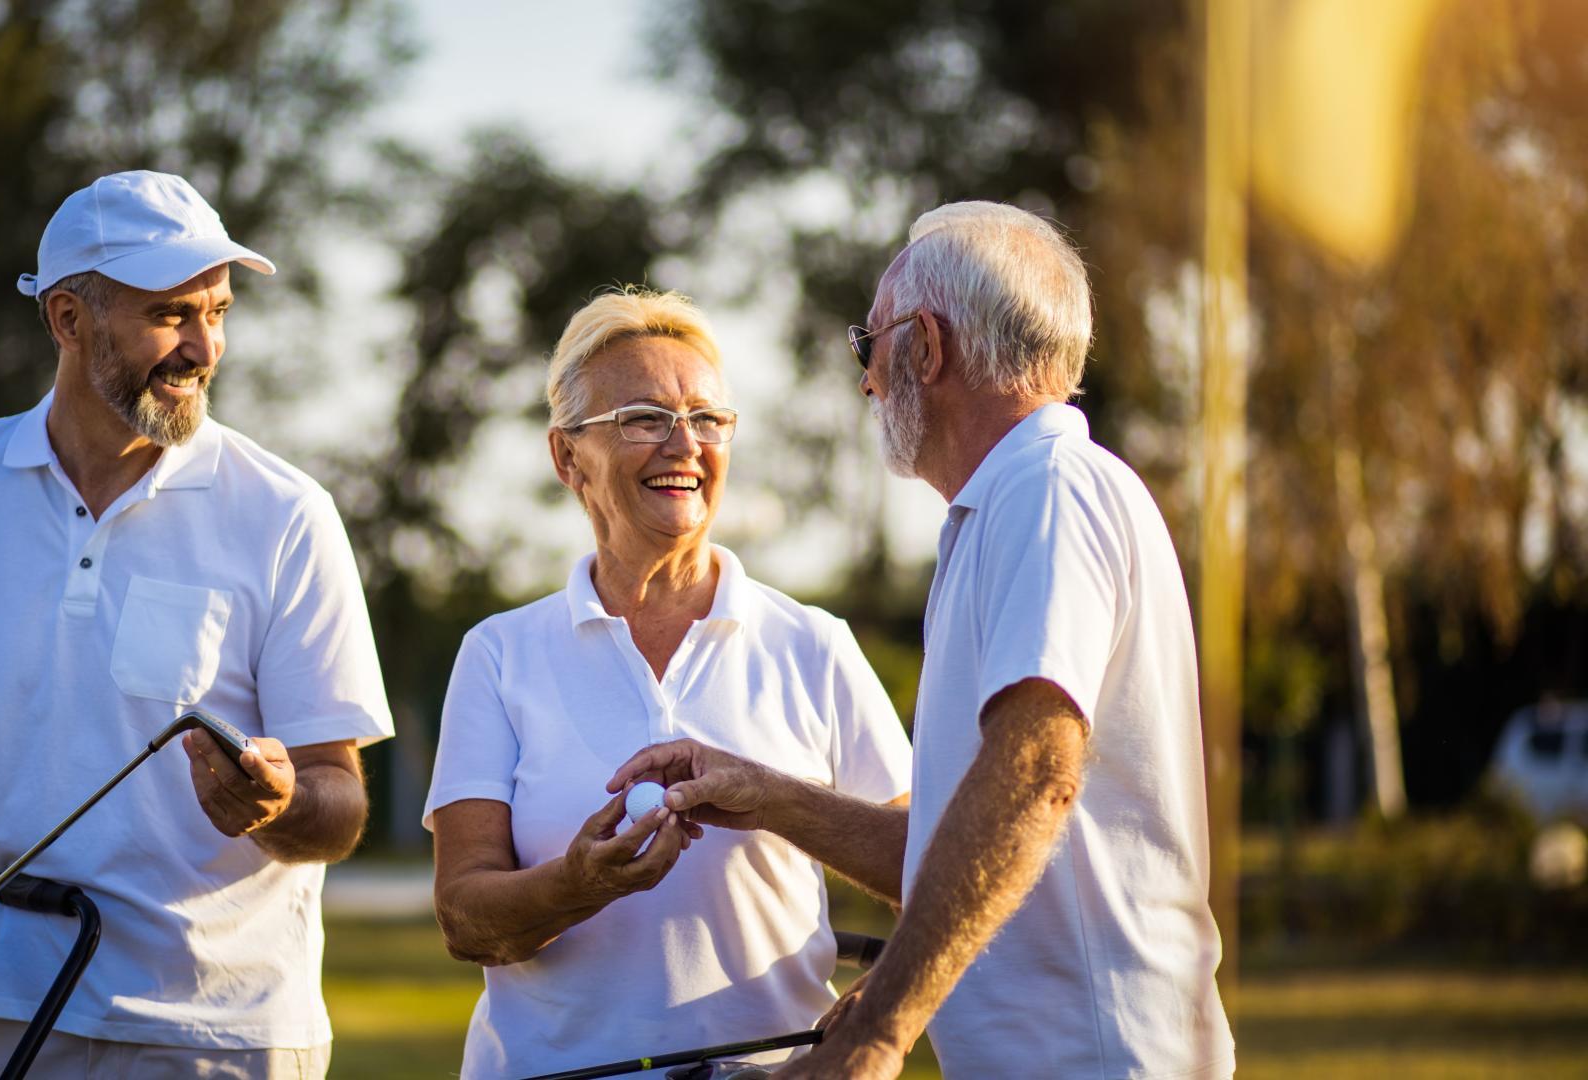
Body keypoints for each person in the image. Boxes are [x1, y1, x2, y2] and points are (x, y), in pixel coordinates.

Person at [610, 203, 1235, 1078]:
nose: (867, 382)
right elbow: (956, 849)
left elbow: (1034, 775)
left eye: (871, 347)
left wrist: (881, 1029)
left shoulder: (1045, 489)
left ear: (927, 349)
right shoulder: (1005, 507)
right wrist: (761, 795)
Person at [0, 169, 394, 1078]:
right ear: (67, 319)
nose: (203, 346)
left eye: (218, 311)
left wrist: (281, 805)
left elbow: (339, 798)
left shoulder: (288, 512)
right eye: (172, 314)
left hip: (227, 1039)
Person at [423, 287, 914, 1079]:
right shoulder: (499, 654)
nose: (684, 444)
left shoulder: (812, 644)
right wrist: (577, 884)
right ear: (567, 456)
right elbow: (464, 919)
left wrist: (881, 1016)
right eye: (644, 418)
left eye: (708, 419)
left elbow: (920, 867)